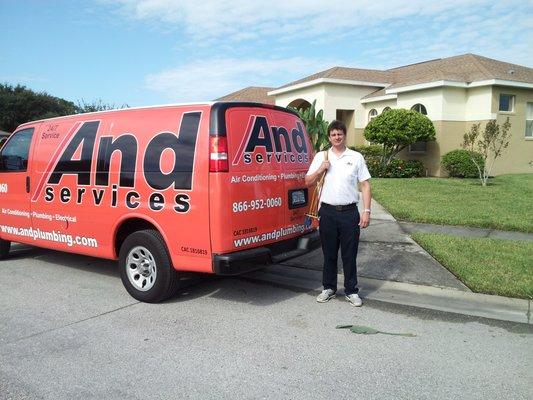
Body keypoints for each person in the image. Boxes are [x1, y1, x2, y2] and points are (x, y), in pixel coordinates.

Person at [305, 120, 371, 307]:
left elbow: (365, 185)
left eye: (339, 134)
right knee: (329, 254)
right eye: (333, 134)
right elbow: (307, 182)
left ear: (344, 135)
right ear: (329, 137)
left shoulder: (356, 157)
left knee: (349, 254)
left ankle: (351, 291)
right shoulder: (321, 156)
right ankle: (329, 288)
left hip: (350, 212)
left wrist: (366, 211)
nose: (337, 137)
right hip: (327, 212)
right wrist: (320, 169)